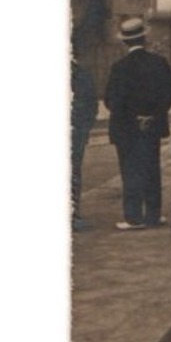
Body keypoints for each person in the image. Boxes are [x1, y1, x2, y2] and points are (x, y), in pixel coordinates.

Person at [103, 17, 171, 229]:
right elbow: (169, 93)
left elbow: (111, 100)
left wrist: (133, 117)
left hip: (126, 128)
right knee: (151, 168)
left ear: (125, 42)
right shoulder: (159, 63)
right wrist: (151, 115)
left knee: (130, 170)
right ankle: (153, 215)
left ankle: (133, 217)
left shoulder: (119, 68)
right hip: (151, 126)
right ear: (145, 38)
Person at [70, 47, 99, 231]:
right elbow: (91, 106)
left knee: (73, 173)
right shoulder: (82, 75)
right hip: (76, 131)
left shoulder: (82, 75)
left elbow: (91, 106)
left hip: (75, 131)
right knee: (73, 173)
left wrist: (84, 127)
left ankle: (72, 214)